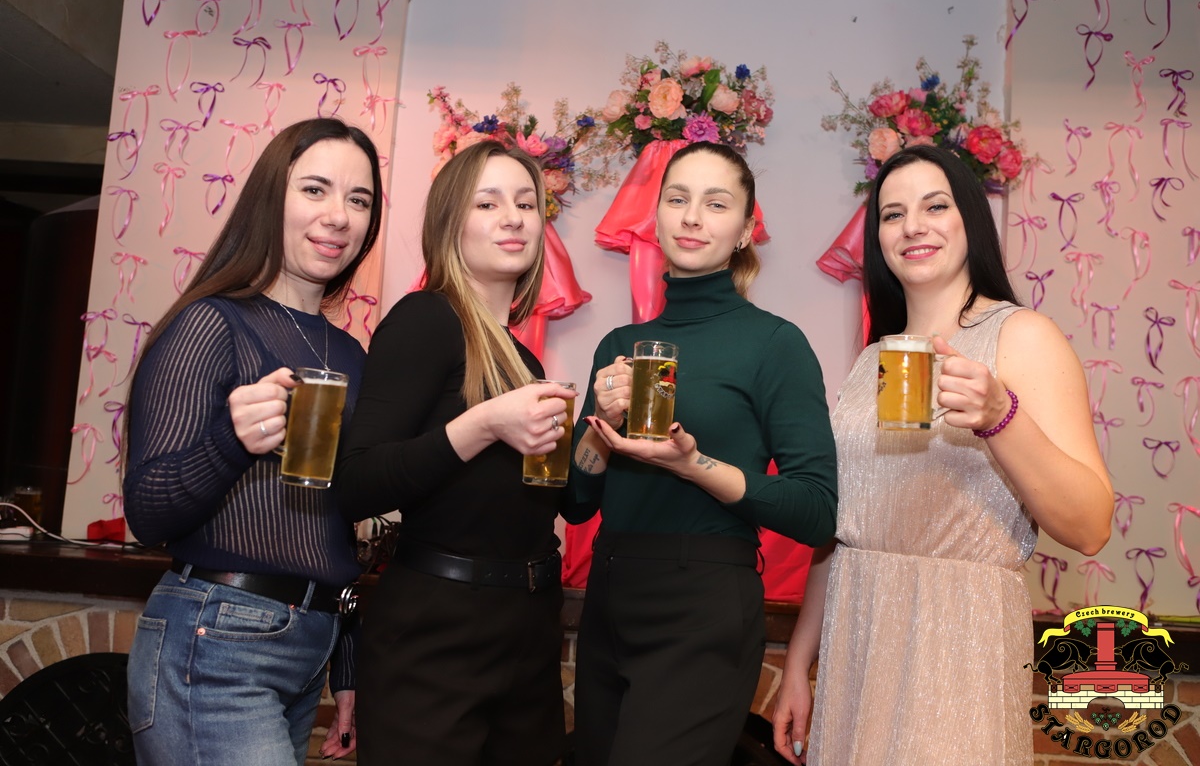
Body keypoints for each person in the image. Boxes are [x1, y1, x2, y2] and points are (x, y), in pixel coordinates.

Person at [771, 145, 1113, 765]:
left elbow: (1090, 527)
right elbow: (842, 527)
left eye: (935, 206)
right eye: (892, 214)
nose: (912, 227)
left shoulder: (1022, 336)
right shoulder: (871, 360)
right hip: (857, 638)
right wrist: (799, 662)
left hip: (959, 642)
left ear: (970, 221)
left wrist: (1000, 415)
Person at [565, 141, 839, 766]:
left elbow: (818, 511)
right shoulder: (621, 343)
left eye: (716, 204)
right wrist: (599, 427)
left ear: (744, 231)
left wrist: (695, 466)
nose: (692, 217)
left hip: (705, 604)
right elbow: (576, 503)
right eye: (678, 199)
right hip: (611, 596)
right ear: (656, 217)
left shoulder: (774, 344)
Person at [123, 117, 383, 764]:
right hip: (215, 638)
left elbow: (335, 527)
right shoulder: (211, 323)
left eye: (359, 199)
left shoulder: (351, 355)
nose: (339, 216)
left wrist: (347, 667)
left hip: (311, 642)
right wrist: (231, 441)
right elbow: (147, 513)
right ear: (271, 197)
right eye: (315, 189)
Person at [336, 139, 575, 766]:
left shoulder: (522, 360)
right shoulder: (425, 319)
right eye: (487, 203)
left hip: (527, 629)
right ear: (450, 223)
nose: (513, 218)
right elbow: (356, 483)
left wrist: (602, 433)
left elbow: (560, 504)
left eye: (526, 203)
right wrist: (484, 424)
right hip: (437, 633)